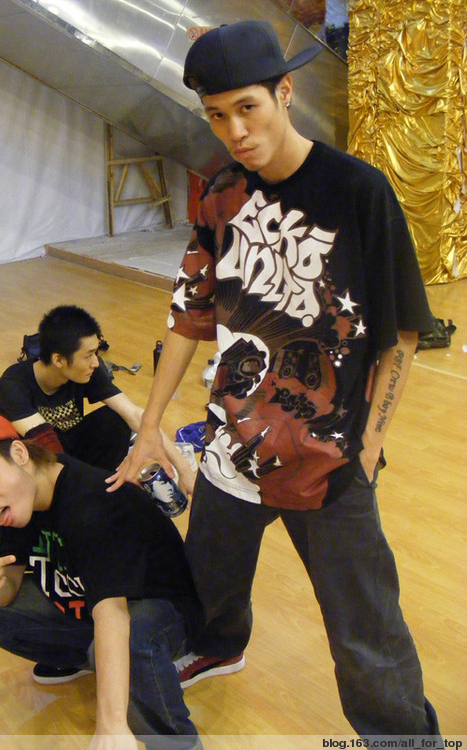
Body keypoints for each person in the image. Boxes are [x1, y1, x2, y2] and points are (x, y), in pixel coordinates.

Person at [107, 20, 441, 739]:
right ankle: (221, 646)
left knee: (365, 633)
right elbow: (188, 316)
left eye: (247, 108)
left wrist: (369, 445)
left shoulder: (358, 190)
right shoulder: (221, 193)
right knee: (208, 583)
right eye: (216, 115)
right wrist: (150, 426)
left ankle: (403, 734)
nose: (235, 131)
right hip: (232, 446)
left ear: (285, 93)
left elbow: (403, 332)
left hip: (328, 460)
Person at [0, 408, 202, 750]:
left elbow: (113, 614)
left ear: (20, 454)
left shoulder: (91, 502)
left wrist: (111, 724)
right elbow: (8, 588)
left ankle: (176, 742)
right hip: (91, 604)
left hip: (162, 613)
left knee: (130, 640)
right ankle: (97, 660)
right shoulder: (18, 500)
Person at [0, 304, 195, 493]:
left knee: (115, 419)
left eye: (96, 352)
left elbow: (135, 415)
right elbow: (50, 451)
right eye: (88, 355)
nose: (96, 362)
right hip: (26, 467)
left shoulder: (85, 371)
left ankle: (104, 487)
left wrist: (184, 469)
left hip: (62, 451)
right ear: (58, 360)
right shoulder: (13, 386)